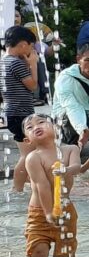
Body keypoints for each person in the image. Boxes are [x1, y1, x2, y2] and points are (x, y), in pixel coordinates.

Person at [20, 115, 79, 257]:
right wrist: (48, 213)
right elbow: (42, 186)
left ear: (56, 128)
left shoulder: (70, 150)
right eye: (29, 127)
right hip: (39, 212)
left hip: (65, 209)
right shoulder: (33, 158)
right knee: (39, 252)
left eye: (41, 122)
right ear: (27, 139)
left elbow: (77, 167)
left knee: (67, 250)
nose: (36, 126)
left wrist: (65, 170)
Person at [3, 24, 39, 190]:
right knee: (27, 155)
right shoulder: (16, 64)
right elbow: (32, 86)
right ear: (23, 44)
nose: (31, 50)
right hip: (21, 114)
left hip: (12, 113)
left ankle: (26, 185)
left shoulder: (3, 61)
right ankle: (16, 190)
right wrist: (33, 63)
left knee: (29, 154)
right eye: (31, 46)